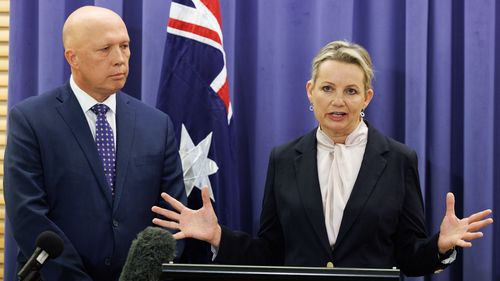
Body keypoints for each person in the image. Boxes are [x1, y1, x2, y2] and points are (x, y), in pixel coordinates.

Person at [151, 40, 493, 276]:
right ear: (310, 92)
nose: (338, 101)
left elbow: (407, 256)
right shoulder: (284, 158)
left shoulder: (400, 159)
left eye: (351, 91)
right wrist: (218, 237)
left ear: (367, 98)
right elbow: (271, 253)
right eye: (327, 88)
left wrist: (439, 246)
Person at [3, 6, 186, 281]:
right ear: (72, 57)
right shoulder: (30, 121)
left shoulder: (157, 125)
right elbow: (28, 216)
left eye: (125, 46)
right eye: (105, 49)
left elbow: (172, 217)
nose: (120, 59)